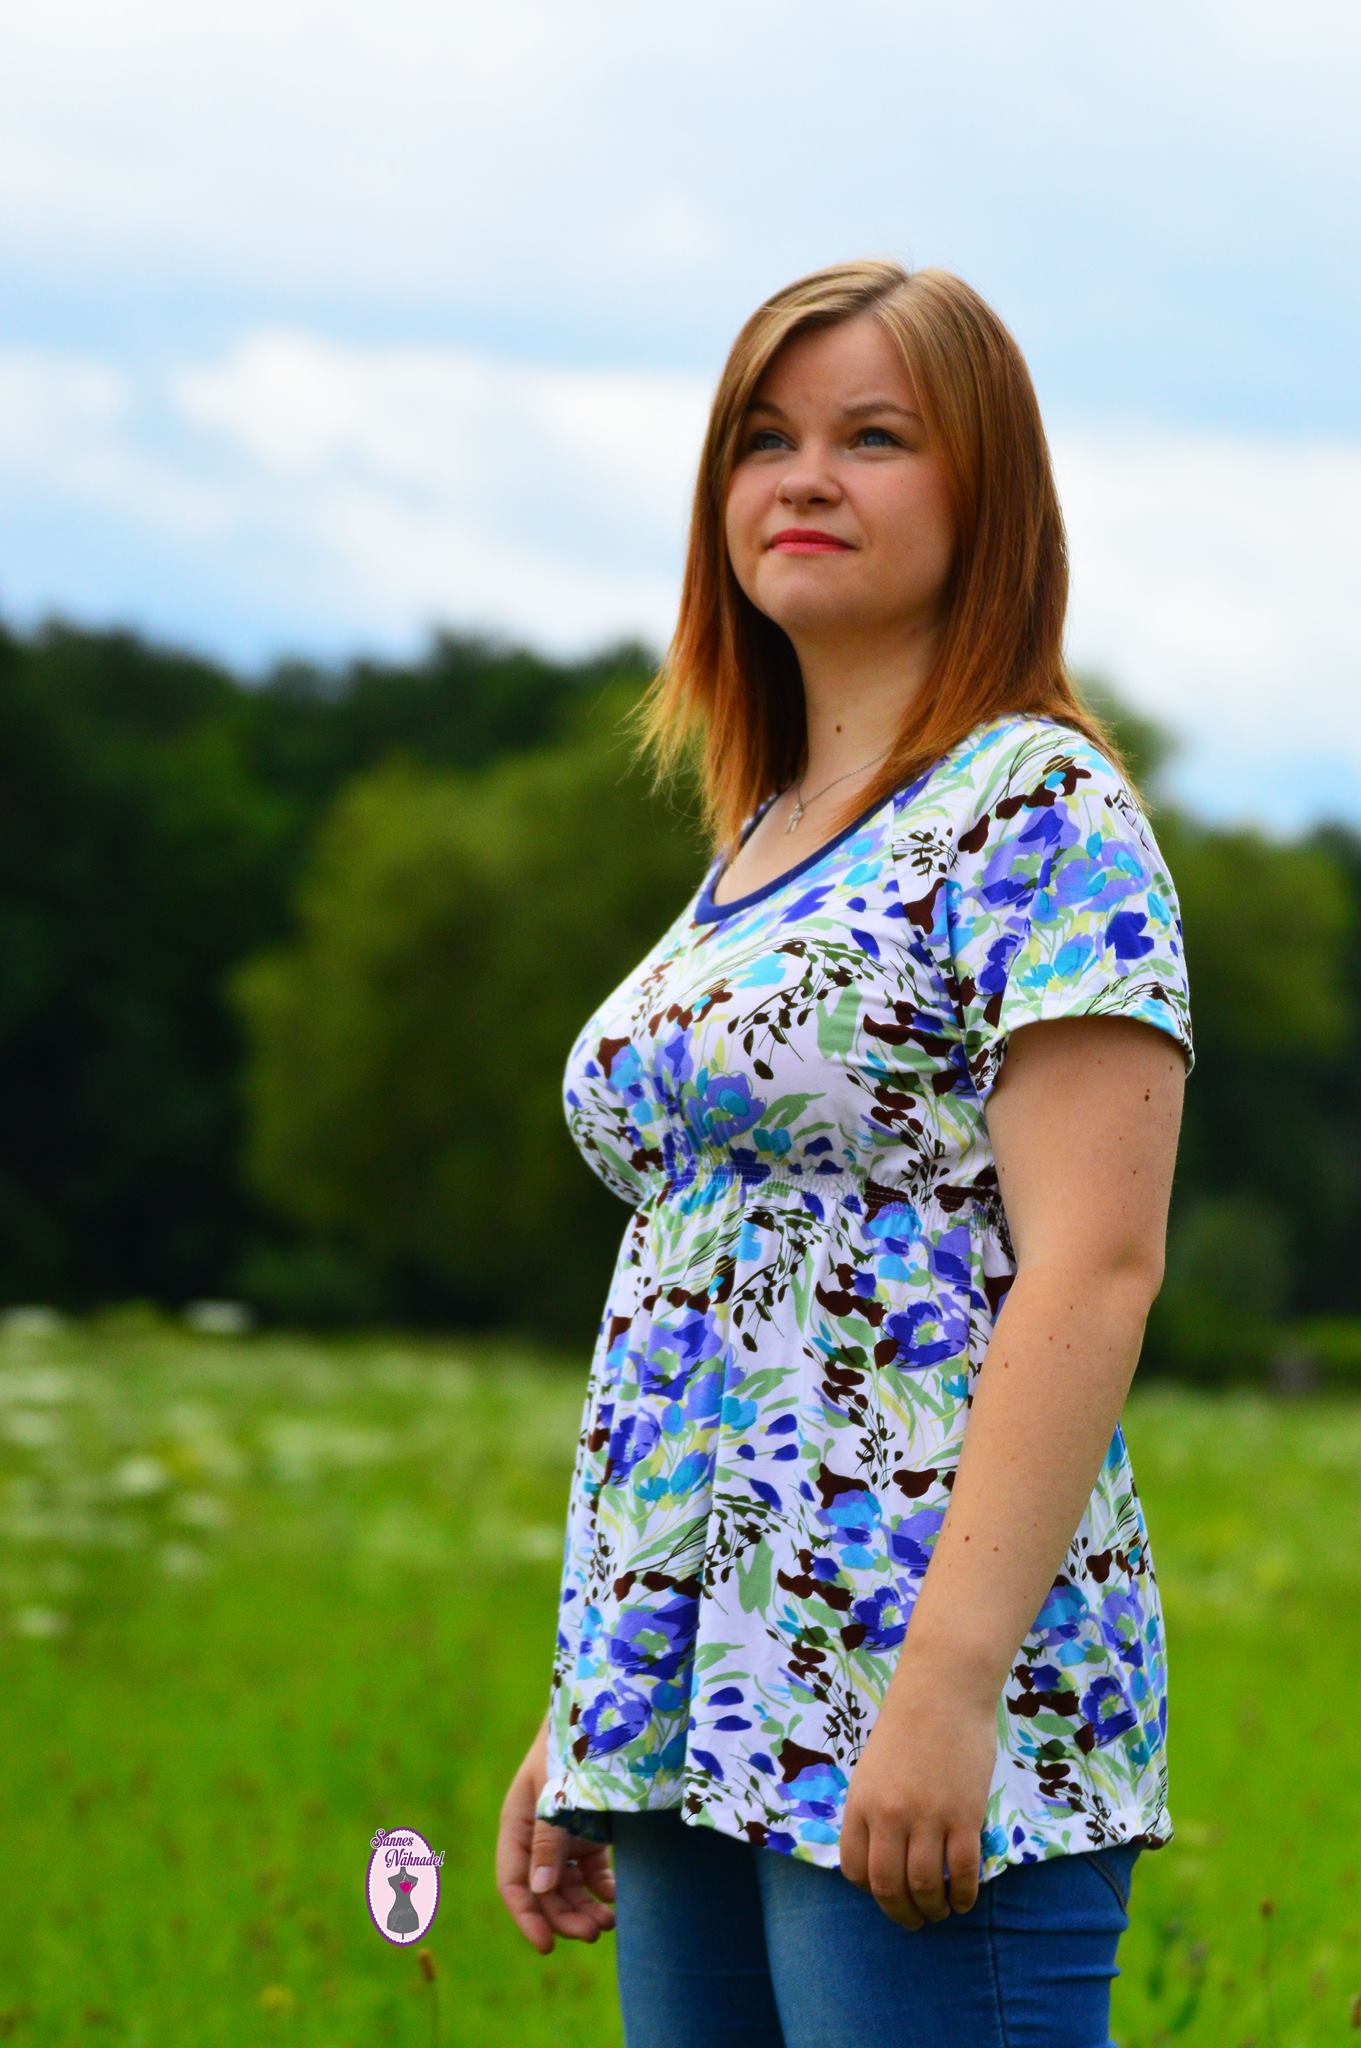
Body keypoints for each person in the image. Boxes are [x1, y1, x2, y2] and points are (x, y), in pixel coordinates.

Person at [495, 256, 1195, 2048]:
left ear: (985, 495)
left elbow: (1095, 1267)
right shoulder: (764, 835)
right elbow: (717, 1289)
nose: (802, 479)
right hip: (693, 1703)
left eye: (872, 438)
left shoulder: (1038, 810)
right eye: (764, 438)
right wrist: (591, 1698)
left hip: (909, 1689)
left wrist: (946, 1686)